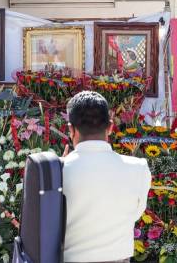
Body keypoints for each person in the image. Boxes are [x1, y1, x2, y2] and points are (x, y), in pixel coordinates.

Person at [62, 91, 151, 263]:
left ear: (71, 129)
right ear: (110, 127)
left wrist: (59, 167)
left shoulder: (58, 170)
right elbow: (134, 214)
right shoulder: (138, 168)